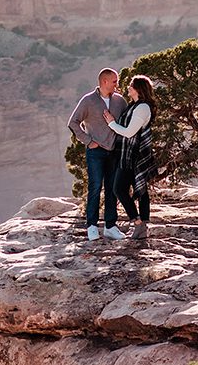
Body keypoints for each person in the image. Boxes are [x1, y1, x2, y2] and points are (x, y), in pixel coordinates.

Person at [67, 68, 127, 241]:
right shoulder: (88, 100)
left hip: (114, 151)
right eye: (115, 81)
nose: (117, 84)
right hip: (95, 152)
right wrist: (88, 141)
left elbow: (127, 121)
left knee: (112, 189)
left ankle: (110, 226)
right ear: (105, 82)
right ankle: (92, 226)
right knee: (94, 187)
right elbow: (73, 122)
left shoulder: (119, 101)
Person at [104, 74, 158, 239]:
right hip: (127, 154)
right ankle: (141, 226)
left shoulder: (142, 108)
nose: (128, 88)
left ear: (138, 89)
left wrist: (111, 123)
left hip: (133, 156)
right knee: (138, 190)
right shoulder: (135, 105)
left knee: (119, 189)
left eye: (130, 86)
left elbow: (129, 132)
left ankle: (139, 224)